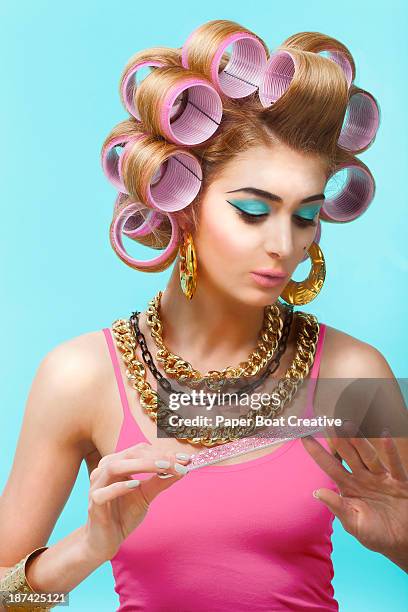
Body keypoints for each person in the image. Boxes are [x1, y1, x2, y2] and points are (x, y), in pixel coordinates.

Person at [1, 18, 407, 612]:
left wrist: (405, 545)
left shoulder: (350, 371)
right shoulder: (80, 377)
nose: (284, 245)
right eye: (251, 211)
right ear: (181, 200)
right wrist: (89, 545)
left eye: (304, 215)